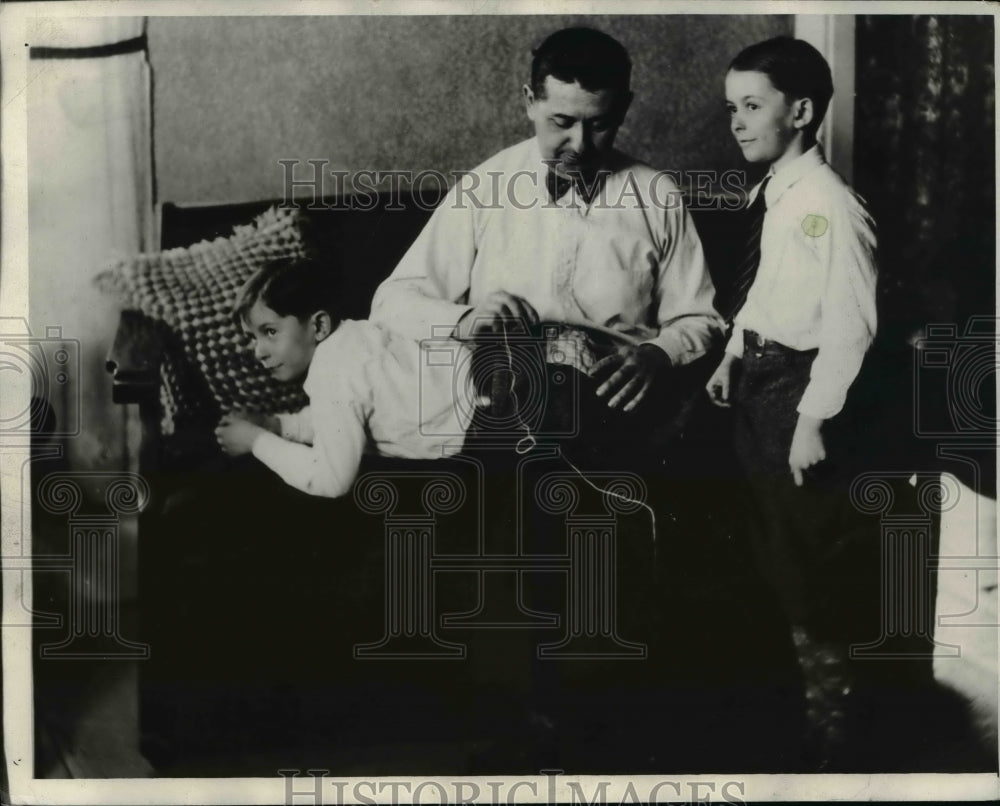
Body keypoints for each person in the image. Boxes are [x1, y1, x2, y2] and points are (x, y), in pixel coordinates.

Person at [369, 27, 723, 452]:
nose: (580, 145)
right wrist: (466, 320)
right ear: (529, 102)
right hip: (504, 393)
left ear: (624, 109)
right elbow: (391, 305)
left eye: (599, 124)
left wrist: (658, 354)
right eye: (562, 122)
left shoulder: (658, 196)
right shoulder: (485, 186)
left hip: (611, 402)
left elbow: (701, 318)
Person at [705, 36, 880, 769]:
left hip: (798, 394)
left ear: (801, 111)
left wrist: (812, 420)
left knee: (810, 563)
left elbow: (851, 323)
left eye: (753, 106)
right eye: (732, 108)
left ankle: (836, 740)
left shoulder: (833, 207)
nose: (737, 122)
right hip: (757, 382)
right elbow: (764, 291)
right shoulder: (773, 192)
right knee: (772, 552)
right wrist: (730, 353)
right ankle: (791, 723)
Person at [214, 255, 473, 496]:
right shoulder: (354, 338)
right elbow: (342, 415)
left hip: (485, 429)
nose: (258, 351)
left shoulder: (331, 372)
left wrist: (256, 441)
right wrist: (282, 426)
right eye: (252, 338)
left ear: (318, 326)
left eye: (270, 332)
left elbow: (331, 480)